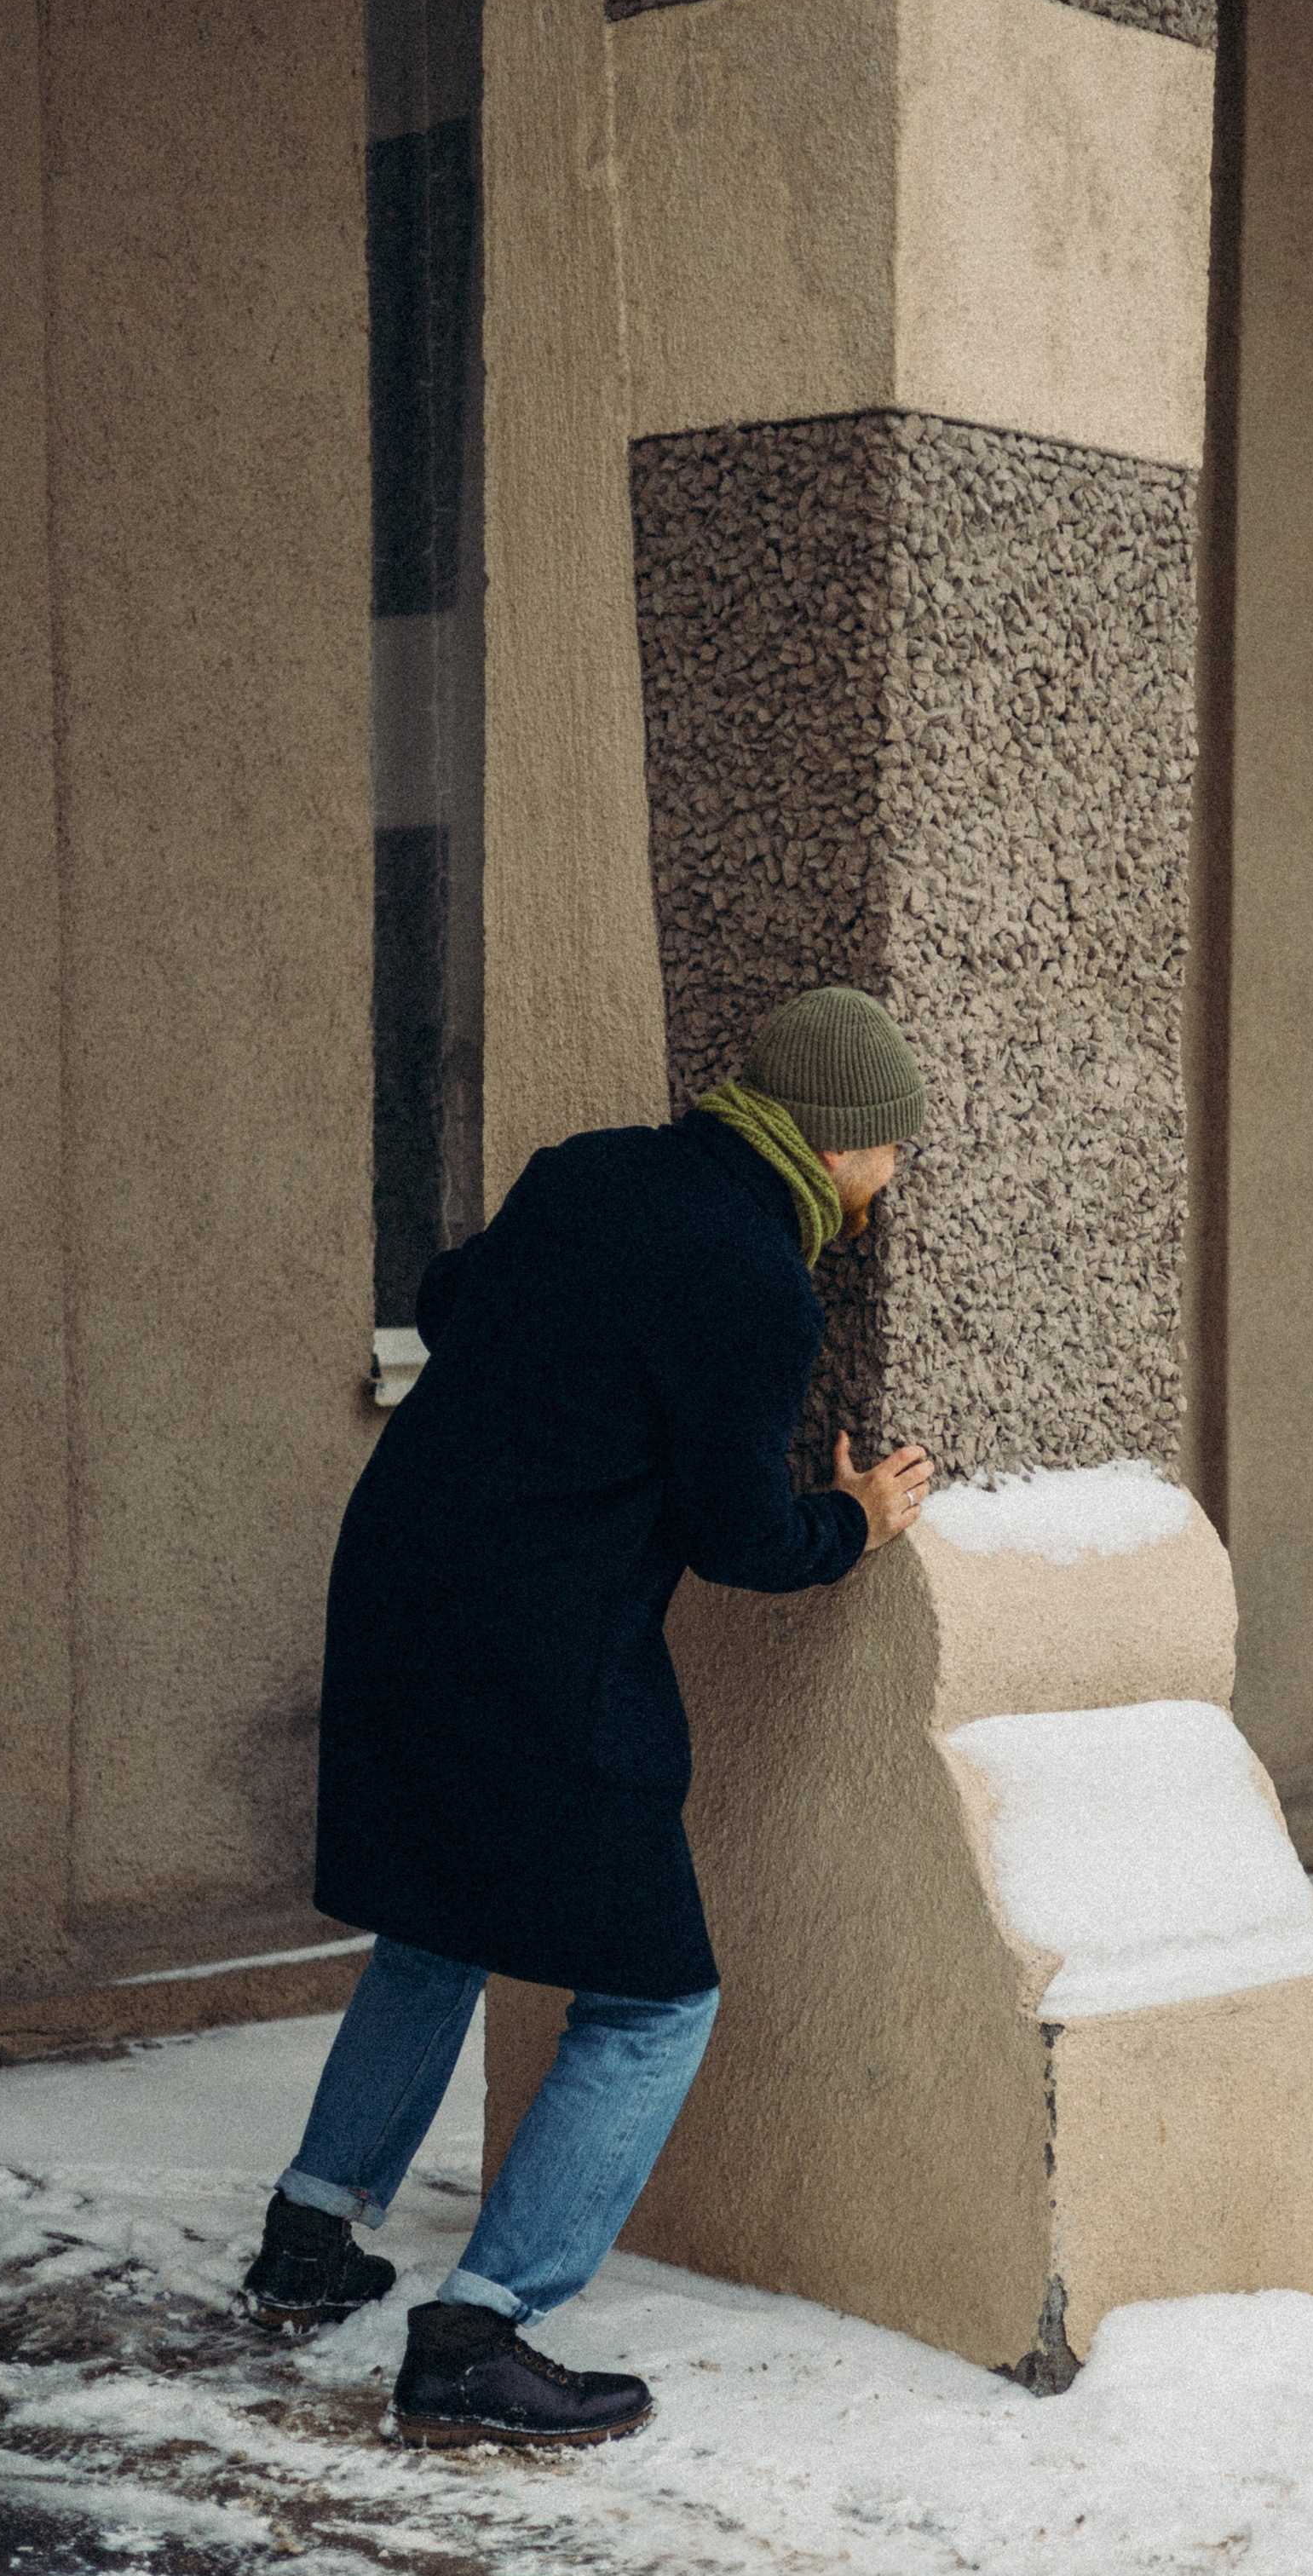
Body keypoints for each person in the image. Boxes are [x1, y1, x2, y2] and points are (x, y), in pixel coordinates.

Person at [238, 986, 936, 2444]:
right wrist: (854, 1520)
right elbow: (740, 1534)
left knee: (437, 1923)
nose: (893, 1183)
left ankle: (311, 2234)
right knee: (655, 1995)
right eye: (890, 1153)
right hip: (537, 1646)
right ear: (842, 1141)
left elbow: (447, 1299)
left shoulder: (590, 1169)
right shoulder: (758, 1274)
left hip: (400, 1583)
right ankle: (482, 2327)